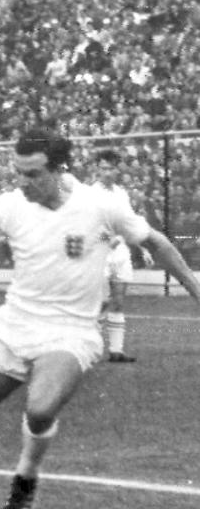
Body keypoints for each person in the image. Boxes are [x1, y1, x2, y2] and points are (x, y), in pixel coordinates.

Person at [0, 128, 200, 509]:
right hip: (12, 327)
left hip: (70, 331)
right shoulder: (10, 205)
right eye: (18, 172)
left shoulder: (101, 206)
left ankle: (26, 477)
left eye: (33, 173)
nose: (24, 182)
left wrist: (196, 291)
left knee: (40, 409)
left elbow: (158, 243)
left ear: (60, 170)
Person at [90, 149, 154, 362]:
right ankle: (90, 348)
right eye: (103, 168)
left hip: (120, 251)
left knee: (118, 300)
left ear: (117, 170)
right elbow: (86, 224)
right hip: (99, 251)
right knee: (101, 302)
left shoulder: (121, 193)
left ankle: (116, 351)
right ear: (97, 169)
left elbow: (129, 224)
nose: (107, 172)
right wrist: (106, 239)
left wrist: (142, 248)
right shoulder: (90, 194)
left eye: (111, 168)